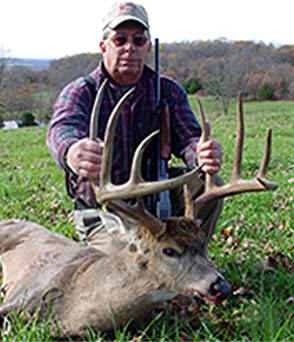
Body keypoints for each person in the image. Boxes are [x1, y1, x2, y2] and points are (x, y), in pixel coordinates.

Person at [46, 1, 223, 254]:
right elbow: (61, 129)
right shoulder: (82, 91)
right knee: (129, 267)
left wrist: (202, 154)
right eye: (120, 39)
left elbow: (190, 139)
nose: (130, 47)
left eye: (138, 40)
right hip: (106, 209)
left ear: (148, 48)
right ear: (103, 46)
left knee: (210, 183)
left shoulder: (167, 91)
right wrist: (72, 151)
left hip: (156, 196)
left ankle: (192, 259)